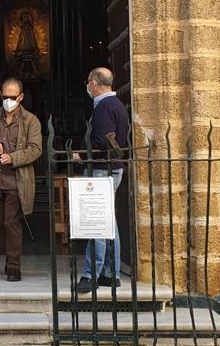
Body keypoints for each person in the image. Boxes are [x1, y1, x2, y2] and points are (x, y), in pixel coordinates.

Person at [0, 78, 42, 282]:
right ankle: (9, 254)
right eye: (5, 97)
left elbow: (35, 149)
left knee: (11, 221)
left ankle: (14, 266)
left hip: (17, 180)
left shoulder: (31, 120)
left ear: (20, 97)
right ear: (0, 95)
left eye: (12, 97)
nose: (8, 100)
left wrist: (13, 158)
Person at [73, 67, 129, 293]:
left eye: (88, 81)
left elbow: (102, 143)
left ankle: (91, 274)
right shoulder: (118, 106)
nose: (87, 86)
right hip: (113, 169)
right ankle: (110, 273)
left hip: (101, 170)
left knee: (95, 220)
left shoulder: (104, 107)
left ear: (94, 83)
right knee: (109, 222)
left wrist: (82, 156)